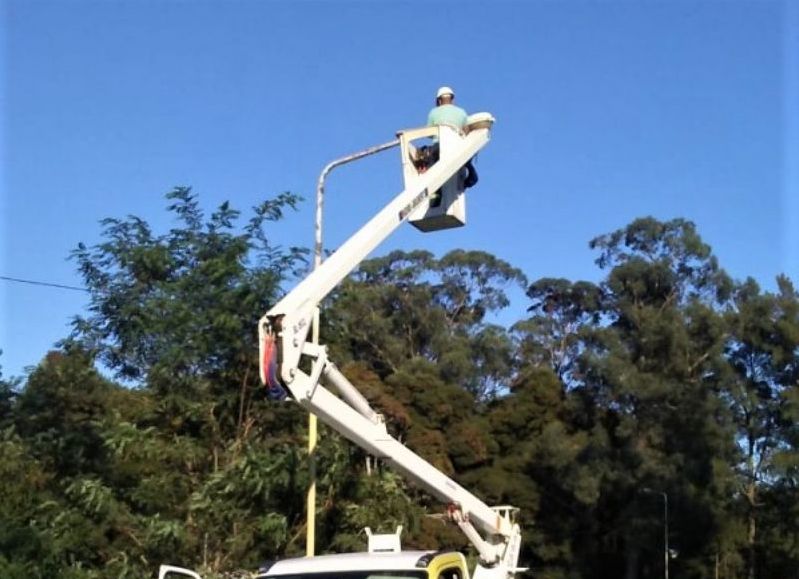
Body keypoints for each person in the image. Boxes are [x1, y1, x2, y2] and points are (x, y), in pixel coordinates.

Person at [426, 86, 478, 188]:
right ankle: (470, 177)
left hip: (439, 146)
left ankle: (435, 190)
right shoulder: (462, 112)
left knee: (431, 162)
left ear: (439, 101)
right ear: (452, 99)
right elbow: (466, 130)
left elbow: (429, 133)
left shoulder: (433, 112)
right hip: (458, 147)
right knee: (466, 162)